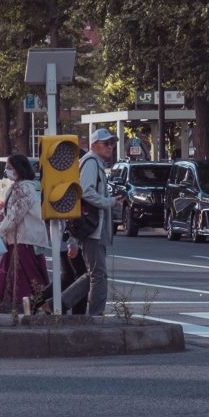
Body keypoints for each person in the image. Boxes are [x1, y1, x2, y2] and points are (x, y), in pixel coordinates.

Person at [0, 151, 48, 320]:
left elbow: (15, 215)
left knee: (28, 278)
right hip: (21, 239)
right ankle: (41, 309)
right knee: (26, 278)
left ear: (18, 169)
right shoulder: (21, 187)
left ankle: (46, 308)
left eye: (10, 167)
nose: (7, 170)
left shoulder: (23, 188)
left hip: (24, 240)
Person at [74, 131, 119, 316]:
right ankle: (95, 316)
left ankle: (54, 304)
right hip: (92, 227)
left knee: (93, 274)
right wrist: (109, 201)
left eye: (112, 143)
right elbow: (85, 191)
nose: (110, 147)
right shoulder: (91, 162)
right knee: (98, 275)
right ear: (94, 145)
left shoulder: (95, 162)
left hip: (94, 227)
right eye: (106, 143)